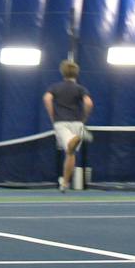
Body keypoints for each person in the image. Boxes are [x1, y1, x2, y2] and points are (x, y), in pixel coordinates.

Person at [45, 60, 93, 192]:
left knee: (69, 148)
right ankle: (65, 183)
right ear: (76, 74)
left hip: (61, 122)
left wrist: (52, 116)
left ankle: (74, 139)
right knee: (70, 153)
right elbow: (88, 103)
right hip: (77, 123)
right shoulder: (80, 88)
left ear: (62, 72)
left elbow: (47, 98)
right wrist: (84, 119)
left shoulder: (55, 87)